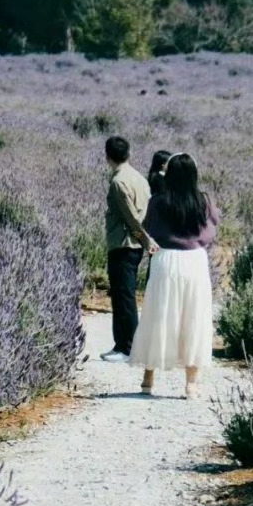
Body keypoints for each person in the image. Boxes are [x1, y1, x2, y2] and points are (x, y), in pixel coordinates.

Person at [130, 152, 218, 399]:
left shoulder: (158, 201)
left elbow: (147, 228)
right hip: (194, 261)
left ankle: (148, 378)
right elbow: (211, 232)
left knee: (157, 316)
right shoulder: (203, 201)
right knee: (194, 318)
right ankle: (191, 384)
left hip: (165, 259)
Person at [101, 136, 152, 364]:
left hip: (124, 244)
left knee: (124, 297)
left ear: (107, 156)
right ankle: (122, 345)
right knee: (124, 295)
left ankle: (127, 347)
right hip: (132, 245)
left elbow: (131, 218)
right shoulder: (139, 178)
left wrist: (146, 240)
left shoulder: (118, 182)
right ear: (128, 154)